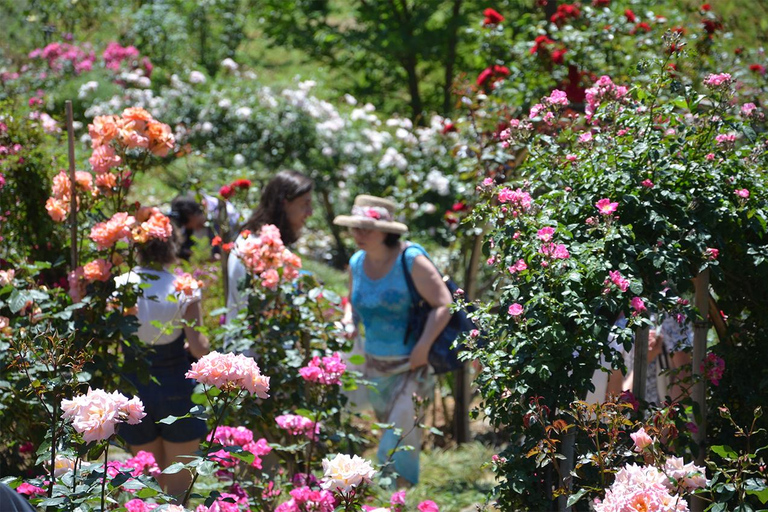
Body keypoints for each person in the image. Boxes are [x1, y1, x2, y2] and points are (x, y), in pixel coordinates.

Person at [334, 195, 453, 486]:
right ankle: (394, 496)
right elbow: (353, 301)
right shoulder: (357, 262)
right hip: (375, 368)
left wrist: (423, 347)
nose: (358, 234)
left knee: (399, 436)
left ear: (387, 231)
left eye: (367, 228)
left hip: (412, 365)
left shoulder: (410, 259)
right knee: (390, 430)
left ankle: (396, 495)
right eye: (355, 227)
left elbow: (444, 303)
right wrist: (349, 320)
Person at [115, 209, 210, 499]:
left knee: (147, 485)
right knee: (177, 490)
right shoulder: (183, 287)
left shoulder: (121, 285)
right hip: (175, 387)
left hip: (134, 386)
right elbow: (198, 348)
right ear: (172, 244)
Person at [226, 170, 313, 322]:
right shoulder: (257, 250)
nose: (310, 212)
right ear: (285, 203)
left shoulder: (252, 240)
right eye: (305, 204)